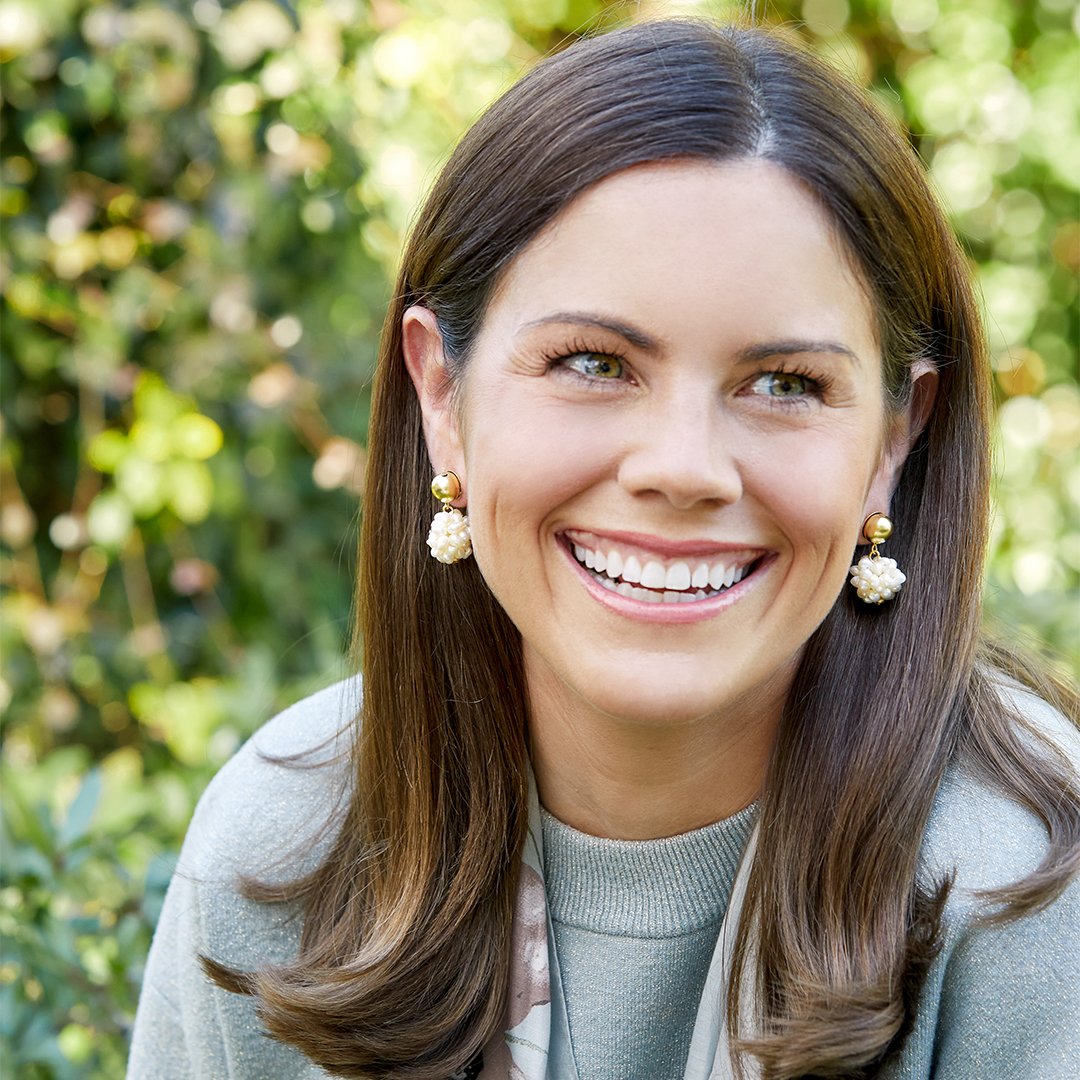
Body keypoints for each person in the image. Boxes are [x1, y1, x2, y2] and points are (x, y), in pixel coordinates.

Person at [127, 18, 1080, 1080]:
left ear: (893, 440)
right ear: (442, 392)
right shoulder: (287, 840)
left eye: (785, 385)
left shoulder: (1029, 883)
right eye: (593, 362)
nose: (683, 468)